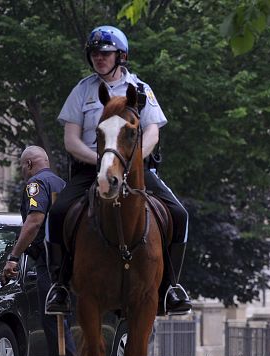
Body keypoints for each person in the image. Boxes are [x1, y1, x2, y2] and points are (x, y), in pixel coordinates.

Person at [45, 25, 191, 316]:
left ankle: (171, 287)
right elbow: (71, 139)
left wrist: (131, 161)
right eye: (95, 54)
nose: (99, 59)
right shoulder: (82, 90)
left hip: (134, 169)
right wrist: (100, 161)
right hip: (91, 169)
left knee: (179, 215)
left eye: (105, 53)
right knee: (57, 213)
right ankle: (60, 286)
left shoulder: (140, 90)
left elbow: (152, 133)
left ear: (120, 56)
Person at [1, 146, 78, 356]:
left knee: (56, 320)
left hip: (50, 261)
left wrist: (14, 256)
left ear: (30, 164)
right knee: (54, 320)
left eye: (22, 166)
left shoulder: (36, 183)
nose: (23, 172)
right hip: (67, 261)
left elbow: (35, 220)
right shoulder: (63, 185)